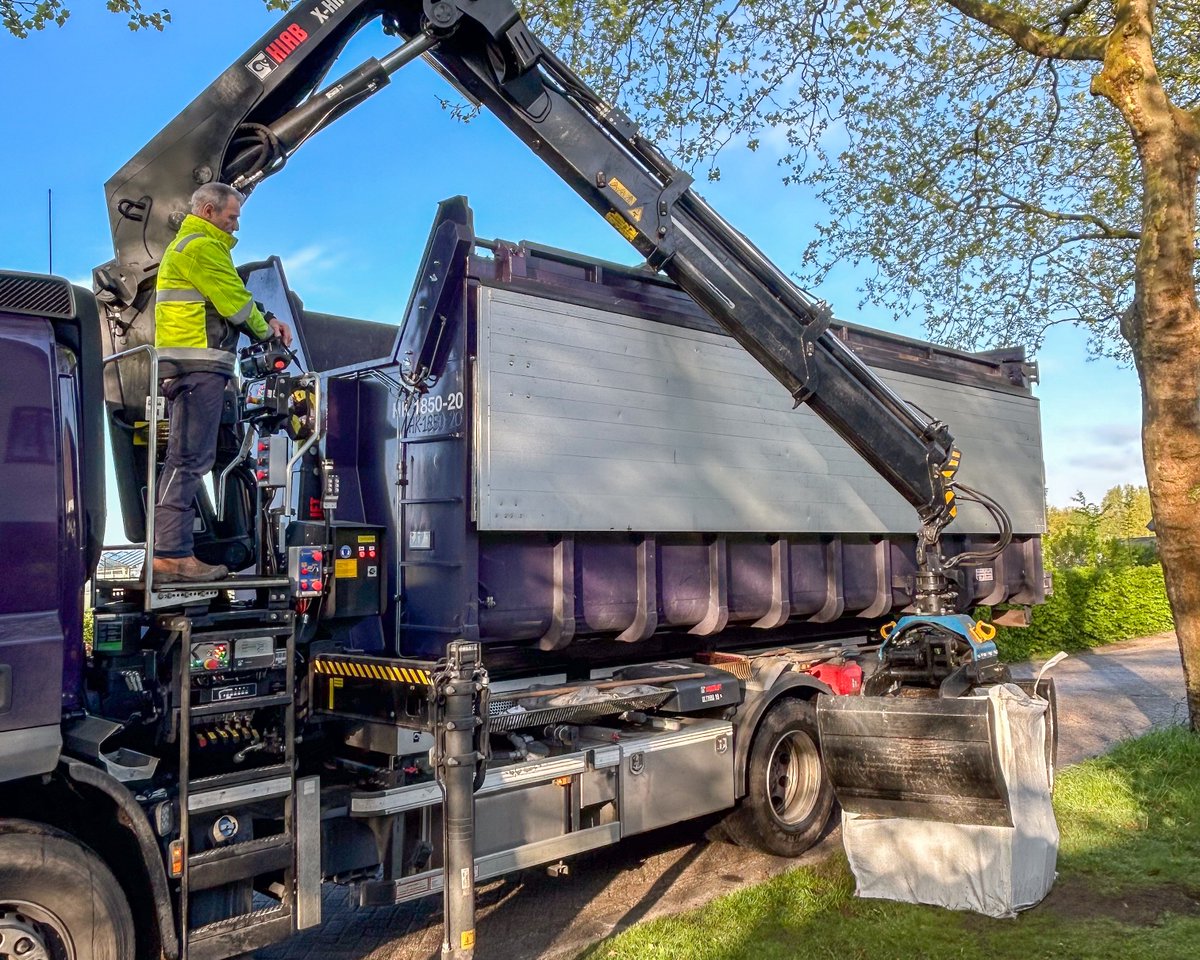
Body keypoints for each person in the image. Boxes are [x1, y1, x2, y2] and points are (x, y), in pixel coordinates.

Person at [151, 182, 292, 583]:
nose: (236, 226)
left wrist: (266, 317)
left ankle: (175, 552)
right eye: (232, 217)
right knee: (189, 460)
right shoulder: (200, 246)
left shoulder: (199, 249)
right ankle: (170, 556)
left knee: (196, 458)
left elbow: (229, 294)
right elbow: (236, 305)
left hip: (195, 366)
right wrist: (269, 332)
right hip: (199, 366)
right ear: (209, 211)